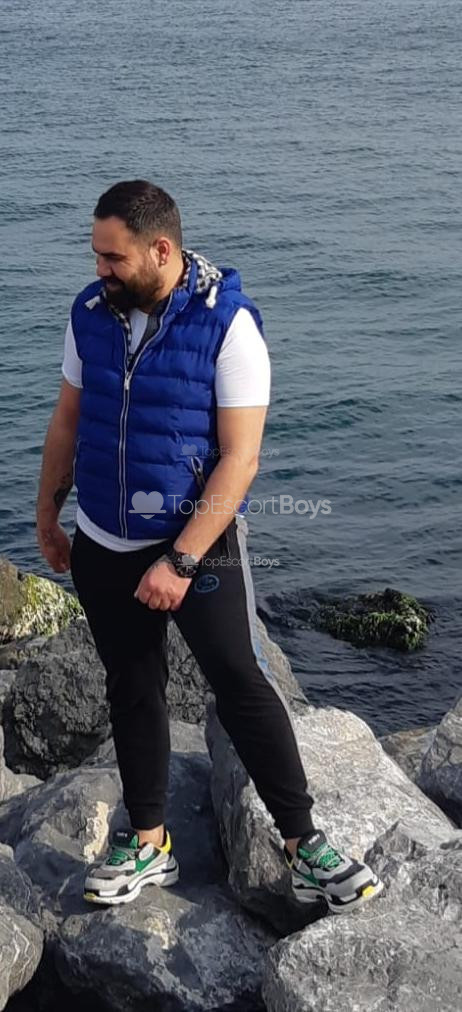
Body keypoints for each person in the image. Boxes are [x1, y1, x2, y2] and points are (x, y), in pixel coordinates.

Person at [36, 179, 384, 914]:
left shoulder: (229, 324)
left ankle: (305, 845)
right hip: (102, 538)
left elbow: (241, 459)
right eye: (96, 254)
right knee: (132, 685)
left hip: (199, 544)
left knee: (240, 680)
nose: (99, 269)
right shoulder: (91, 313)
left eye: (113, 257)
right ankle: (150, 843)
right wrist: (47, 515)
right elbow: (68, 419)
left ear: (161, 250)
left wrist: (181, 561)